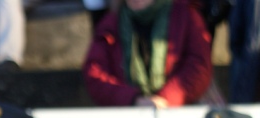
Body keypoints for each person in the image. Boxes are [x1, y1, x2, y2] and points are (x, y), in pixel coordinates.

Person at [82, 0, 211, 108]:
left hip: (175, 115)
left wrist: (166, 98)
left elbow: (199, 66)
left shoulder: (185, 15)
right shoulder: (111, 22)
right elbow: (95, 73)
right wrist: (134, 99)